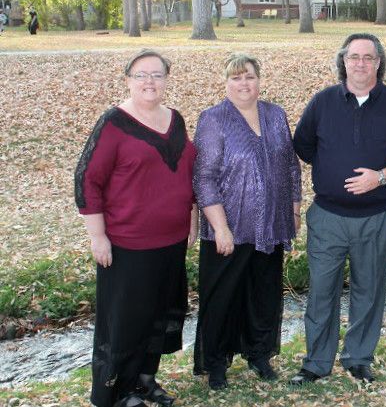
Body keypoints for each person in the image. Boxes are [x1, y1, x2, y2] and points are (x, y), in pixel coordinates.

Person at [290, 33, 386, 385]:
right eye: (354, 57)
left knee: (369, 289)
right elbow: (303, 146)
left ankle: (358, 358)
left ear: (379, 62)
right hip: (328, 217)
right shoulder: (323, 102)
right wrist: (334, 166)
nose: (361, 63)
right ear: (343, 61)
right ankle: (316, 362)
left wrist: (380, 176)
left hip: (376, 217)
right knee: (321, 292)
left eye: (368, 57)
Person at [74, 50, 197, 407]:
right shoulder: (114, 123)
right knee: (125, 320)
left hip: (171, 240)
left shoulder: (175, 119)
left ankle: (144, 380)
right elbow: (87, 180)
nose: (149, 82)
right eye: (141, 75)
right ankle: (115, 392)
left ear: (167, 79)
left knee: (158, 315)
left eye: (157, 75)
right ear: (127, 79)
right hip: (128, 243)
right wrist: (97, 236)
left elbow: (183, 173)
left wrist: (189, 220)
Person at [192, 54, 302, 390]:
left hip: (270, 225)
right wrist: (220, 226)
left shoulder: (275, 114)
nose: (244, 84)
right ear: (226, 83)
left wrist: (294, 210)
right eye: (236, 78)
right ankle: (215, 363)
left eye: (249, 77)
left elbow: (291, 166)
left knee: (263, 294)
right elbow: (204, 177)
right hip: (229, 227)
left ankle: (259, 354)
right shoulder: (214, 119)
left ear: (259, 80)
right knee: (222, 297)